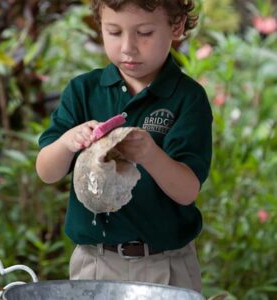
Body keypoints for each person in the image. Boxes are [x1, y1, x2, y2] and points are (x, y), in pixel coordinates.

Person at [36, 0, 212, 293]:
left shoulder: (188, 98)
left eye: (144, 32)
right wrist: (68, 142)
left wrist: (150, 154)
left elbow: (187, 191)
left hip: (166, 265)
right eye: (114, 32)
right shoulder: (83, 90)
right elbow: (46, 171)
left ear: (177, 26)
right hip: (95, 262)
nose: (128, 47)